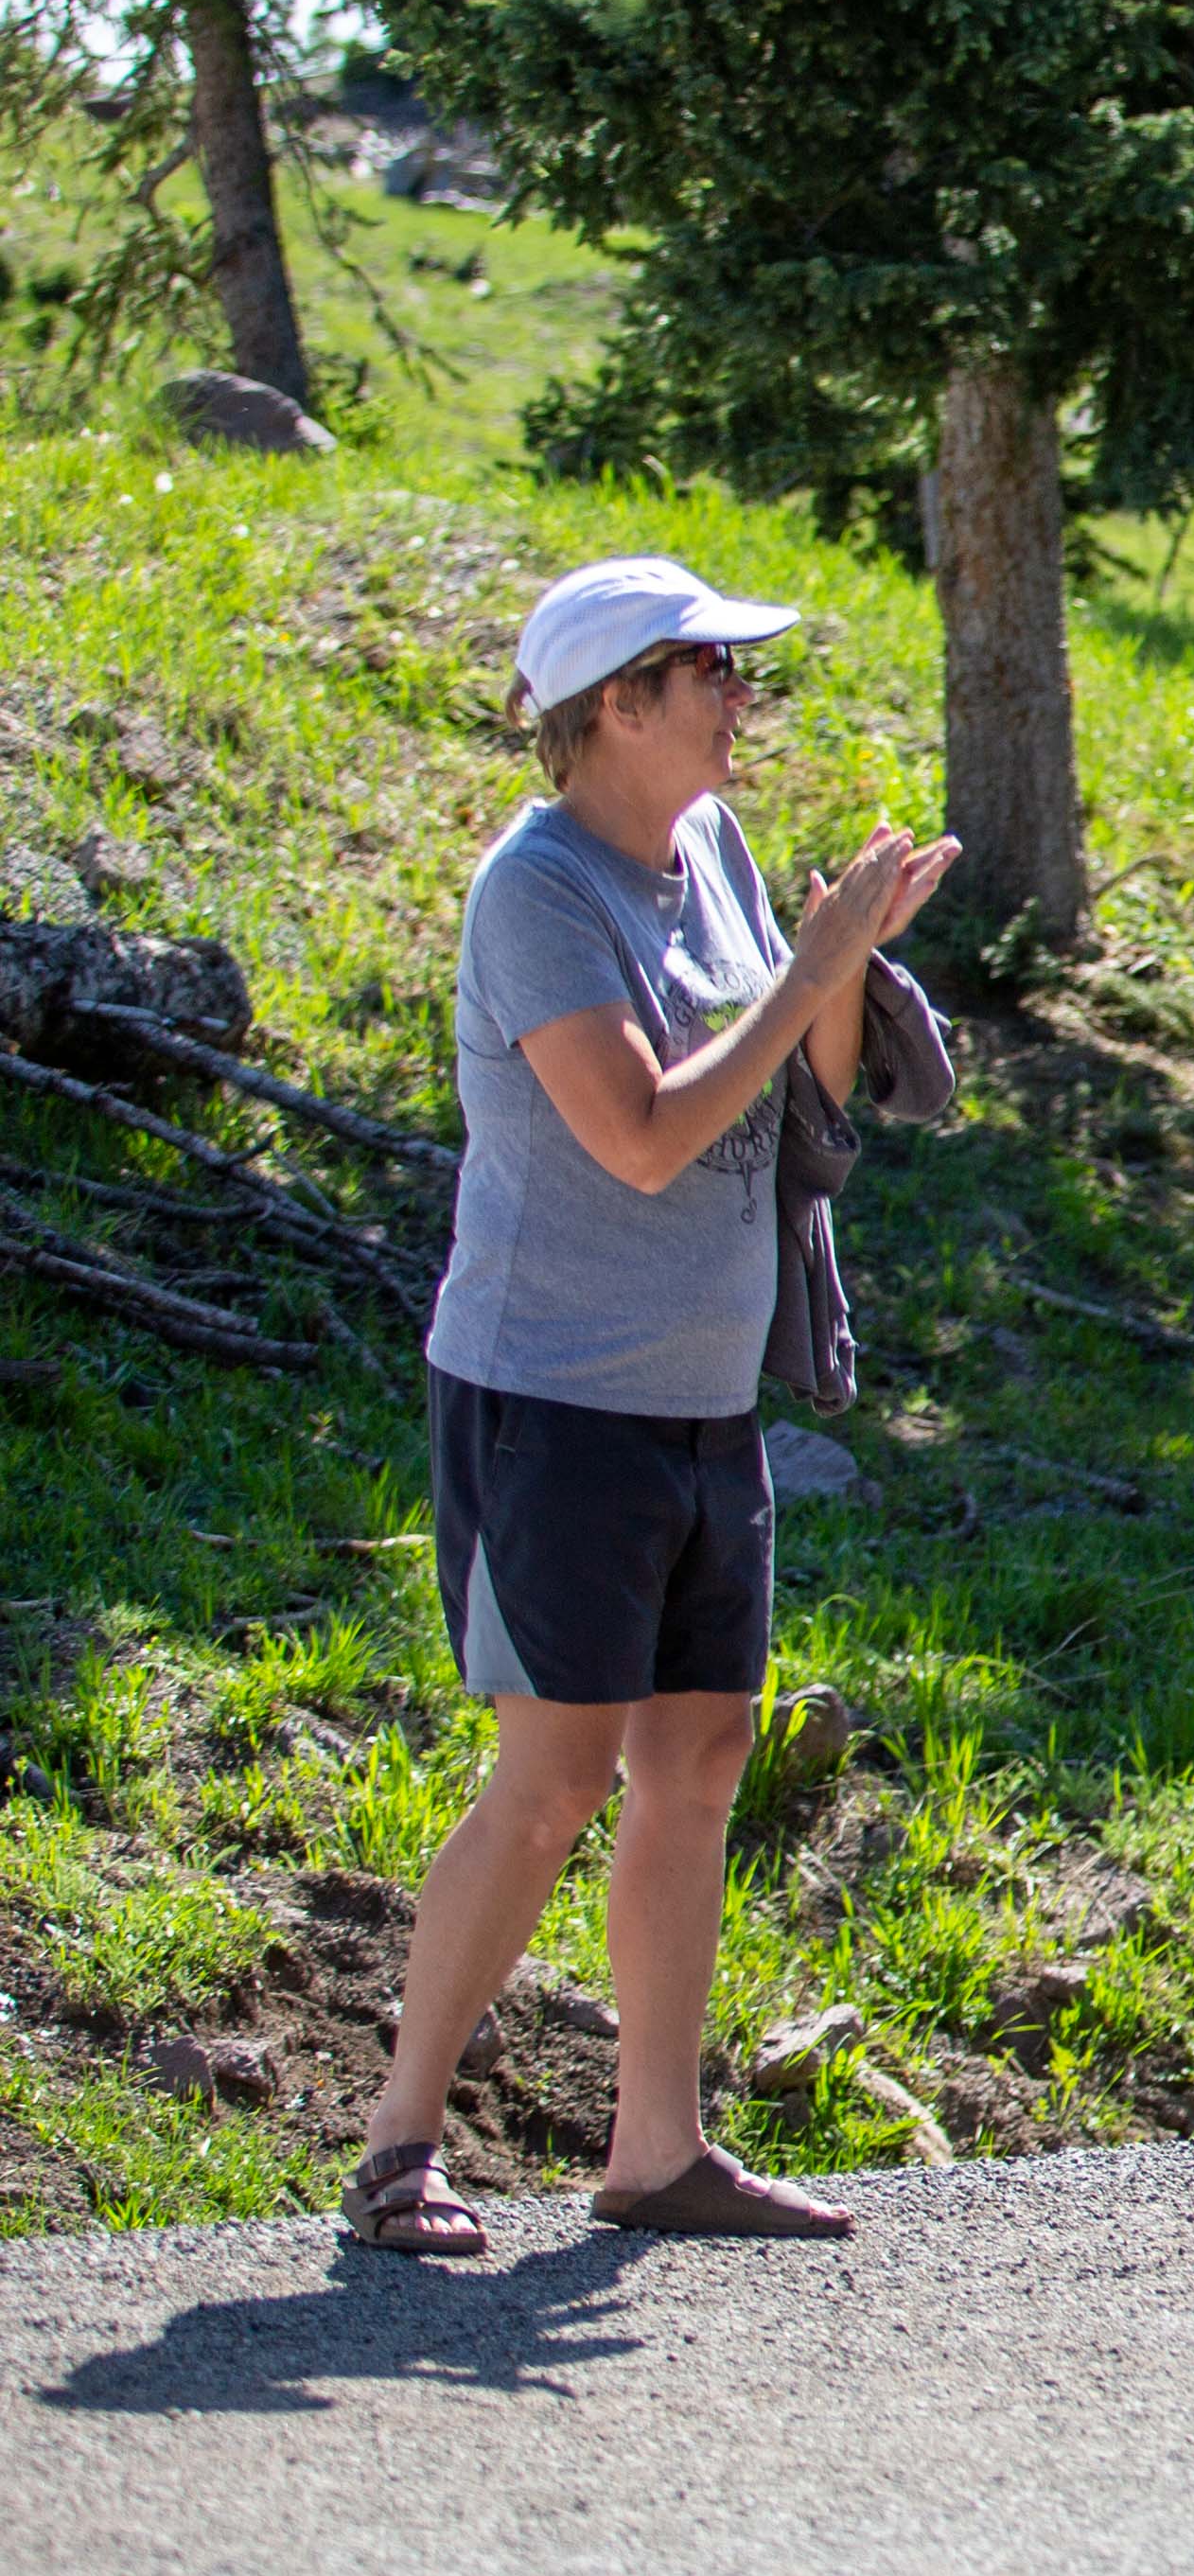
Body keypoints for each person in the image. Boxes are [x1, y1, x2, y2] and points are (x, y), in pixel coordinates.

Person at [342, 557, 957, 2257]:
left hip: (704, 1404)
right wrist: (811, 958)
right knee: (546, 1781)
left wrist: (843, 965)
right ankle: (401, 2141)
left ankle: (657, 2150)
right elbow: (643, 1133)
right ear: (614, 703)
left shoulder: (712, 855)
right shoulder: (532, 895)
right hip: (554, 1400)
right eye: (710, 676)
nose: (742, 703)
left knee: (697, 1757)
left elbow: (802, 1103)